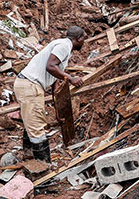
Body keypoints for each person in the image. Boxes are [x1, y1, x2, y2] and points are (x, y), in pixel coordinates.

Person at [13, 26, 86, 163]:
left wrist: (58, 110)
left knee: (32, 121)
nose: (84, 42)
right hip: (30, 85)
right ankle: (44, 167)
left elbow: (54, 81)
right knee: (37, 127)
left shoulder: (62, 46)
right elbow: (51, 66)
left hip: (29, 85)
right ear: (78, 39)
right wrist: (71, 78)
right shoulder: (64, 46)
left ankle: (29, 156)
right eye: (84, 39)